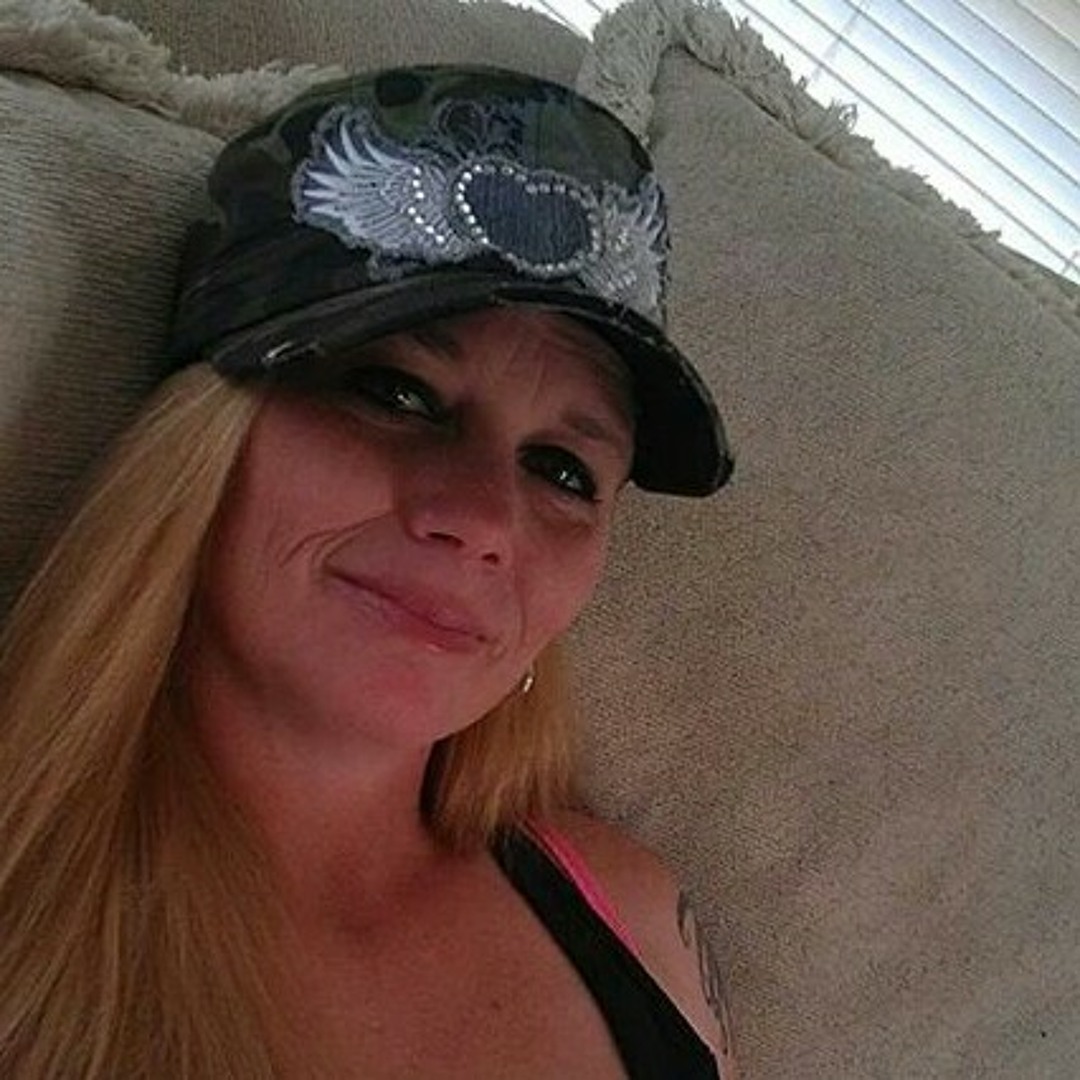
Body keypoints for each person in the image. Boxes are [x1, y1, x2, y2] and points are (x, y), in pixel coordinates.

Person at [0, 64, 737, 1078]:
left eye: (563, 470)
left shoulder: (635, 916)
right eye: (395, 394)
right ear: (198, 443)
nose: (483, 521)